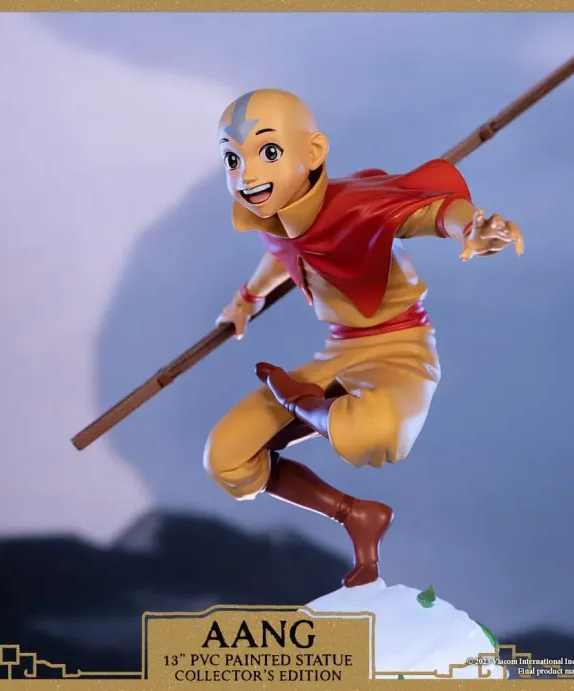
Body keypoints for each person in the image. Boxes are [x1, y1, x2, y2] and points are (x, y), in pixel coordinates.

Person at [204, 89, 523, 588]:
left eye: (268, 152)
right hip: (340, 351)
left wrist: (473, 229)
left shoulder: (358, 205)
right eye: (232, 158)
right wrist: (247, 299)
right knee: (226, 458)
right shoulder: (276, 217)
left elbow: (432, 211)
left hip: (400, 348)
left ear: (313, 152)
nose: (246, 175)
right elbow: (285, 252)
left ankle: (303, 404)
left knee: (375, 431)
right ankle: (355, 514)